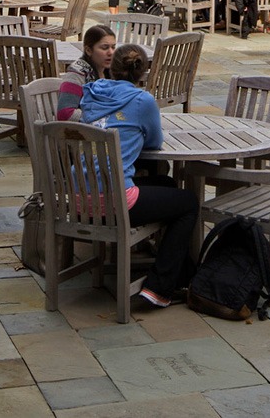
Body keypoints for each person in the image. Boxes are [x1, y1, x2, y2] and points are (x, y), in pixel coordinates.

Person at [78, 44, 198, 309]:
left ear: (111, 67)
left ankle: (182, 274)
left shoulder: (90, 93)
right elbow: (154, 142)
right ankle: (159, 289)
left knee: (167, 185)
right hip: (113, 201)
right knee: (188, 203)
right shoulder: (142, 101)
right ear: (142, 73)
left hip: (76, 196)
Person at [58, 24, 116, 119]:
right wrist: (103, 116)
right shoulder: (77, 73)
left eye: (113, 47)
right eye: (105, 48)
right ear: (89, 50)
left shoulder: (110, 72)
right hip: (80, 131)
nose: (111, 52)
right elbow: (65, 114)